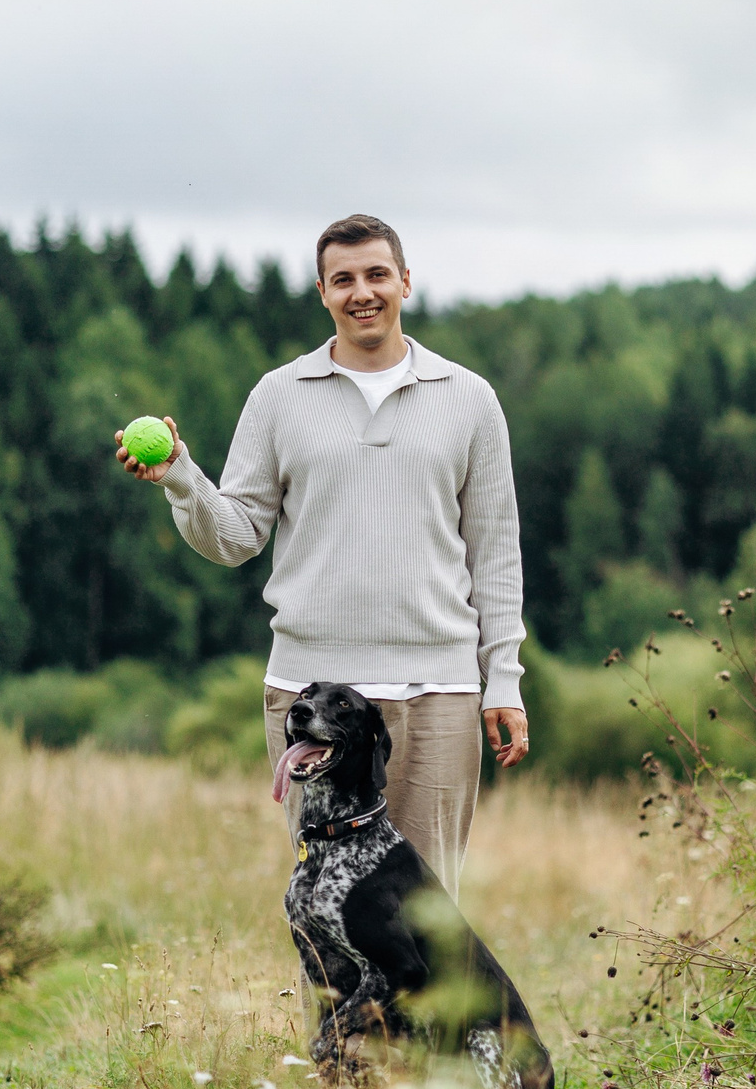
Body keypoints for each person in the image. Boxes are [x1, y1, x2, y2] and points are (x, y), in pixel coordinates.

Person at [116, 213, 527, 894]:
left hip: (438, 692)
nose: (361, 291)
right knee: (331, 913)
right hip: (310, 697)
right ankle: (340, 1013)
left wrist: (503, 675)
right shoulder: (279, 397)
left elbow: (497, 553)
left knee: (429, 916)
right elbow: (237, 535)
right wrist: (183, 478)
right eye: (343, 279)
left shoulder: (470, 400)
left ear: (404, 282)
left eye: (376, 275)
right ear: (322, 292)